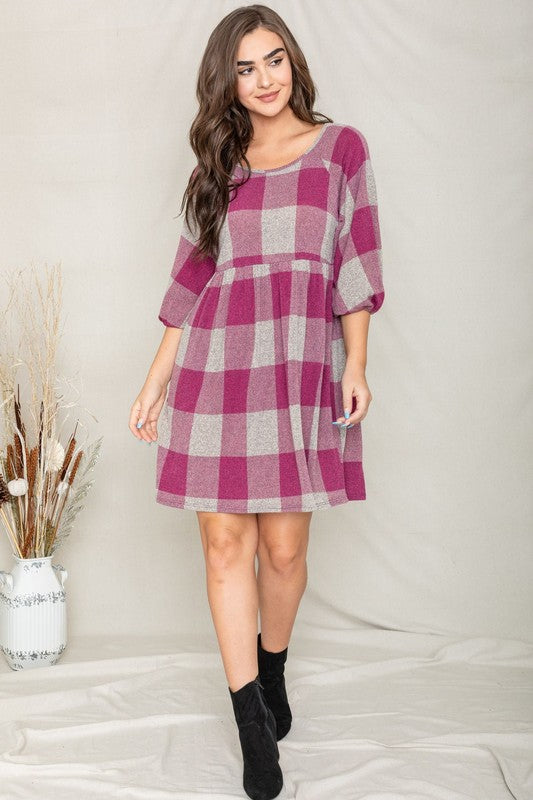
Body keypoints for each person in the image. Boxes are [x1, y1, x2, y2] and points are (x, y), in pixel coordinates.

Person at [129, 5, 385, 799]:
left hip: (297, 368)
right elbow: (190, 278)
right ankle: (250, 726)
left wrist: (356, 362)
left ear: (292, 62)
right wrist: (155, 380)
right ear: (227, 84)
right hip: (217, 370)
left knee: (282, 552)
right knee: (222, 546)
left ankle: (272, 670)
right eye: (244, 69)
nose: (263, 79)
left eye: (273, 60)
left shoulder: (341, 151)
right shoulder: (218, 167)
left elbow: (355, 262)